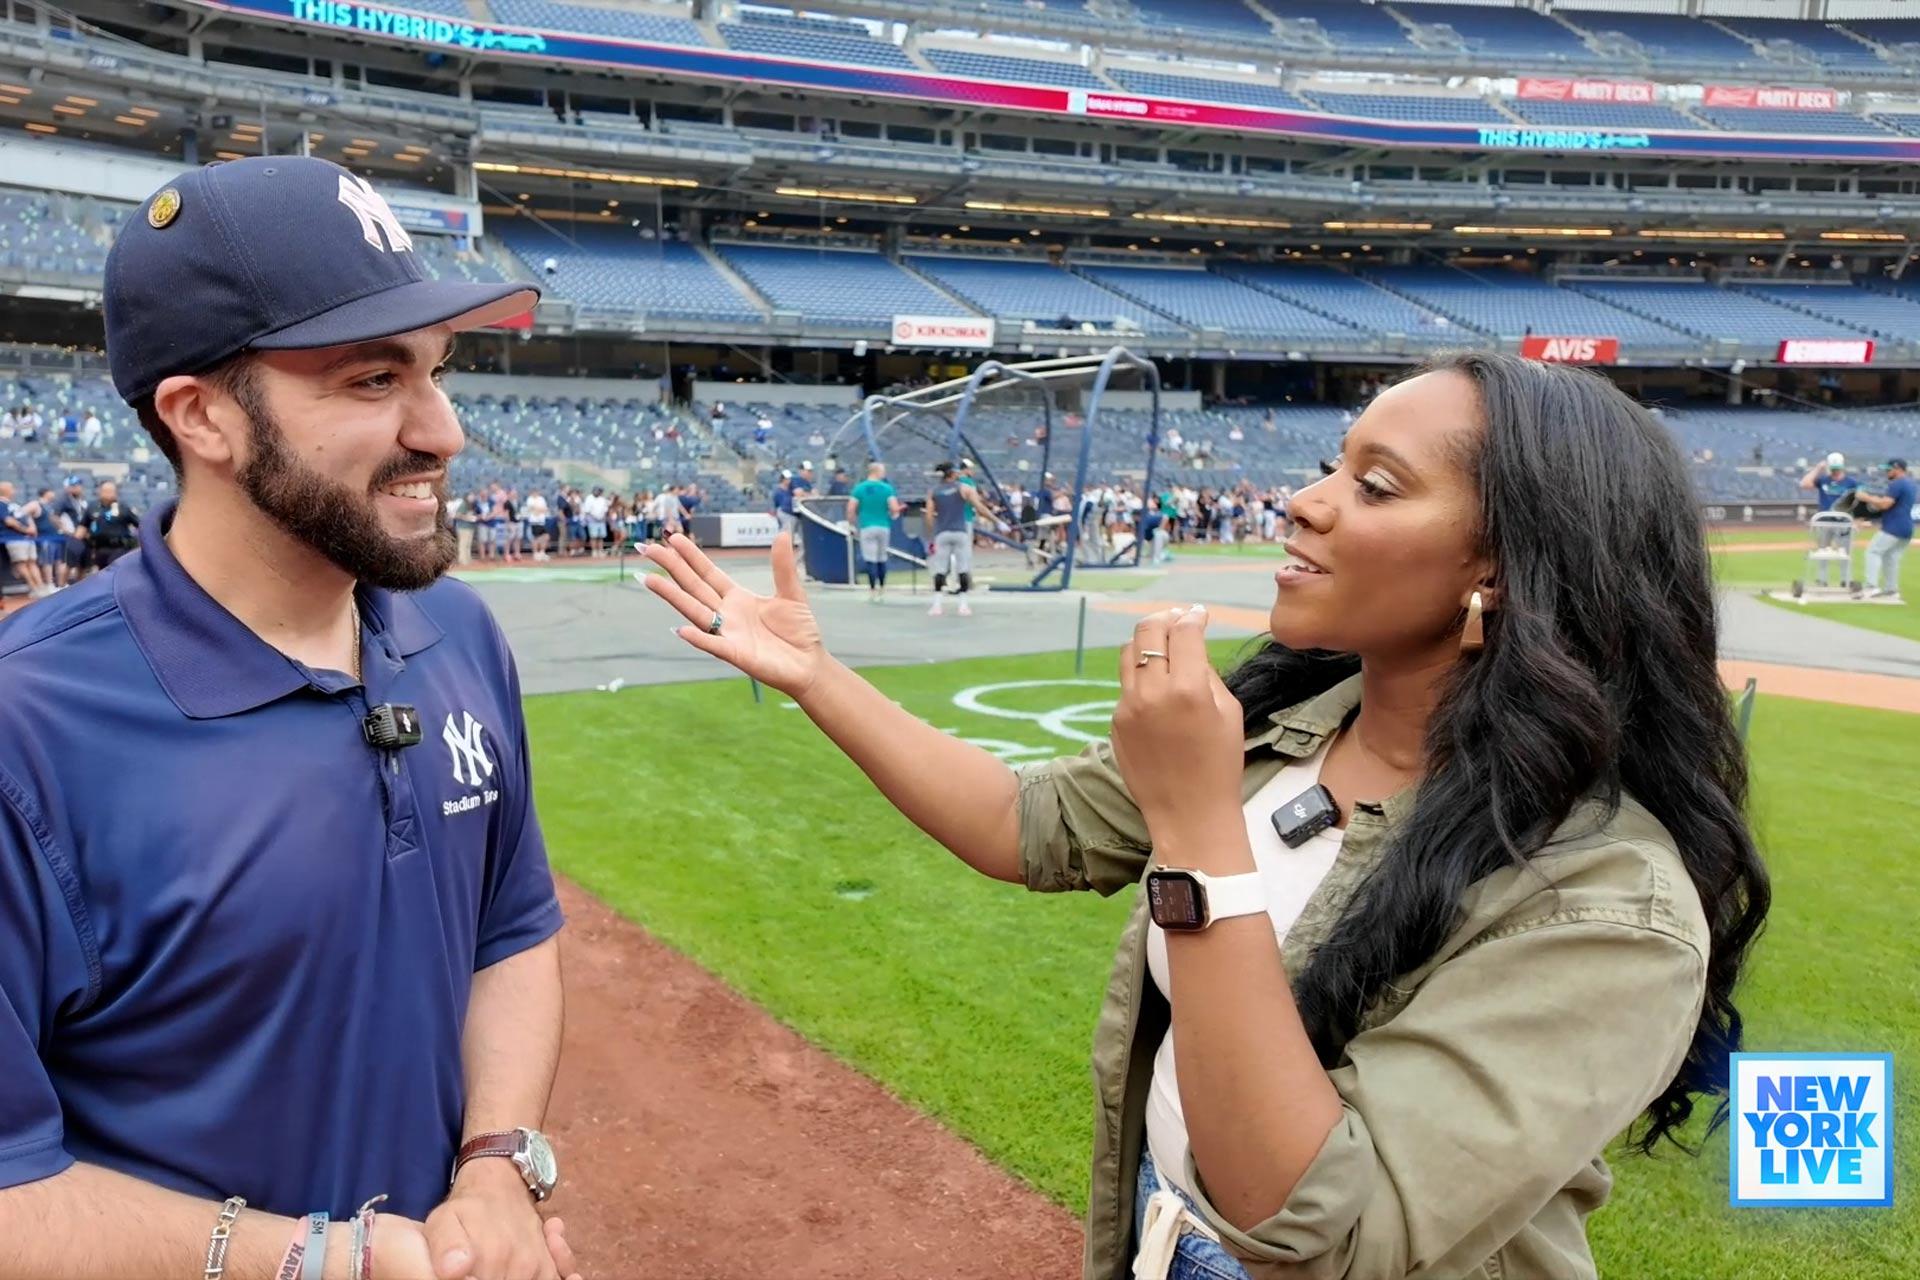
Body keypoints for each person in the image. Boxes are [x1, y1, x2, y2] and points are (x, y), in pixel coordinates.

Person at [639, 353, 1768, 1280]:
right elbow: (1022, 821)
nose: (1305, 498)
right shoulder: (1281, 725)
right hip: (1161, 1238)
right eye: (1334, 461)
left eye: (1376, 486)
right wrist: (816, 674)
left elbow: (1319, 1221)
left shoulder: (1604, 897)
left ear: (1508, 570)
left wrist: (1196, 835)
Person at [0, 156, 581, 1280]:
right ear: (202, 415)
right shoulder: (30, 725)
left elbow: (510, 933)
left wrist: (499, 1161)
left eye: (437, 370)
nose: (444, 429)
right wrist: (320, 1259)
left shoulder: (455, 631)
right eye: (374, 380)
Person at [925, 462, 997, 617]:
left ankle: (937, 605)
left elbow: (929, 516)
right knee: (963, 568)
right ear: (952, 474)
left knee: (940, 569)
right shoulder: (964, 489)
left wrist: (933, 534)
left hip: (942, 533)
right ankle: (963, 605)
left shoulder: (934, 492)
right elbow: (980, 508)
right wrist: (997, 521)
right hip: (960, 532)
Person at [1855, 457, 1914, 603]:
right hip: (1906, 527)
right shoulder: (1910, 484)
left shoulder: (1897, 484)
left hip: (1894, 526)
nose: (1886, 472)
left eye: (1889, 469)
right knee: (1891, 557)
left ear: (1897, 468)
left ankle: (1871, 586)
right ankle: (1891, 590)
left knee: (1873, 551)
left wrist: (1867, 497)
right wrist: (1877, 500)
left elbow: (1885, 505)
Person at [1799, 452, 1860, 587]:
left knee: (1845, 553)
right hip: (1824, 521)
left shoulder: (1851, 483)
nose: (1835, 471)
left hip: (1843, 523)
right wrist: (1818, 468)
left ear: (1842, 467)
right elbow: (1804, 484)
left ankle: (1846, 580)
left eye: (1837, 468)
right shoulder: (1823, 480)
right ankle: (1822, 580)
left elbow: (1858, 502)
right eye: (1833, 468)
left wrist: (1857, 520)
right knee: (1822, 552)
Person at [846, 461, 902, 601]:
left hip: (867, 526)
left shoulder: (859, 488)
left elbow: (851, 508)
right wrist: (895, 512)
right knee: (882, 557)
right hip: (883, 526)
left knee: (870, 558)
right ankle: (882, 588)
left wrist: (851, 524)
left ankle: (872, 589)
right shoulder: (887, 489)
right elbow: (894, 508)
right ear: (876, 471)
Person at [0, 481, 48, 598]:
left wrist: (31, 528)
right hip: (14, 537)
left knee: (31, 562)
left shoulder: (14, 504)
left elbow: (25, 517)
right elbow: (9, 521)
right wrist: (26, 530)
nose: (14, 491)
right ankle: (35, 588)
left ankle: (40, 588)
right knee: (22, 563)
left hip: (24, 538)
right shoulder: (1, 504)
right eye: (11, 488)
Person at [85, 480, 140, 572]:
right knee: (102, 575)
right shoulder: (92, 507)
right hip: (99, 549)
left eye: (110, 491)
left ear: (116, 493)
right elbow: (83, 527)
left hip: (118, 548)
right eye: (105, 491)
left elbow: (139, 524)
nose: (107, 494)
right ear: (100, 492)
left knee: (113, 571)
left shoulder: (124, 508)